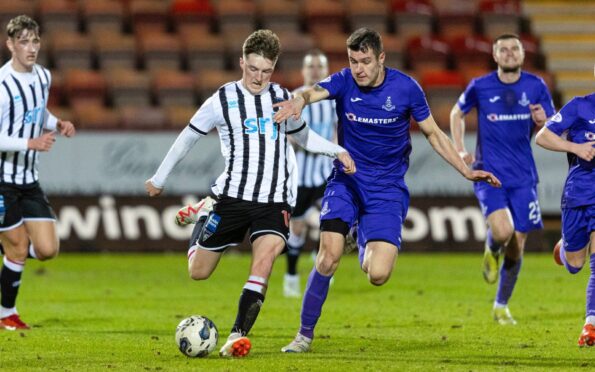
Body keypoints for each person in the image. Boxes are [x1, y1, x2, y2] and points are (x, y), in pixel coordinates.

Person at [273, 27, 501, 353]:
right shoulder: (344, 81)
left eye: (365, 61)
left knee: (377, 274)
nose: (359, 69)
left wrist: (465, 170)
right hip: (346, 182)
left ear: (381, 58)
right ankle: (303, 336)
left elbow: (434, 134)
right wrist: (298, 100)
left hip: (387, 190)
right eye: (353, 61)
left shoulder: (407, 89)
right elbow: (312, 92)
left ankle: (360, 237)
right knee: (327, 257)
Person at [144, 29, 355, 358]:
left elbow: (304, 137)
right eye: (253, 69)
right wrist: (159, 178)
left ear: (274, 68)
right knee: (198, 272)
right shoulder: (222, 99)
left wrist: (336, 150)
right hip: (231, 197)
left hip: (274, 200)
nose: (258, 77)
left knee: (265, 261)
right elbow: (187, 137)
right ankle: (203, 214)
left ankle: (236, 336)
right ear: (242, 62)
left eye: (266, 71)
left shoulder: (281, 97)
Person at [450, 33, 555, 325]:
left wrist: (542, 121)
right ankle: (491, 247)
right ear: (495, 56)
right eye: (503, 50)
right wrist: (459, 149)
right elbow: (457, 113)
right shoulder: (480, 86)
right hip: (488, 173)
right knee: (501, 231)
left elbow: (552, 125)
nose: (509, 54)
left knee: (518, 243)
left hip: (523, 176)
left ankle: (500, 305)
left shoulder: (536, 86)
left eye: (514, 49)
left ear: (522, 54)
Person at [0, 15, 76, 330]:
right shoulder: (2, 85)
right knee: (18, 247)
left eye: (35, 41)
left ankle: (8, 247)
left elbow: (37, 112)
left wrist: (56, 122)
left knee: (47, 250)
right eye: (24, 42)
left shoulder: (43, 76)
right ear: (10, 45)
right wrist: (28, 142)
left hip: (29, 181)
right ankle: (6, 315)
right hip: (2, 182)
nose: (31, 48)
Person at [535, 82, 595, 346]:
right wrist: (576, 148)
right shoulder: (580, 106)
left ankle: (590, 326)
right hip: (579, 194)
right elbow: (542, 137)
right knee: (575, 264)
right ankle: (565, 249)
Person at [283, 50, 337, 298]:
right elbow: (287, 132)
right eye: (310, 66)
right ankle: (291, 274)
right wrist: (304, 142)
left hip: (327, 174)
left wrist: (334, 149)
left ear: (326, 71)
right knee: (297, 228)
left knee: (331, 219)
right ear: (304, 71)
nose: (315, 70)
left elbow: (338, 130)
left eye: (319, 66)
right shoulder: (294, 97)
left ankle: (321, 259)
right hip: (301, 176)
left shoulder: (334, 99)